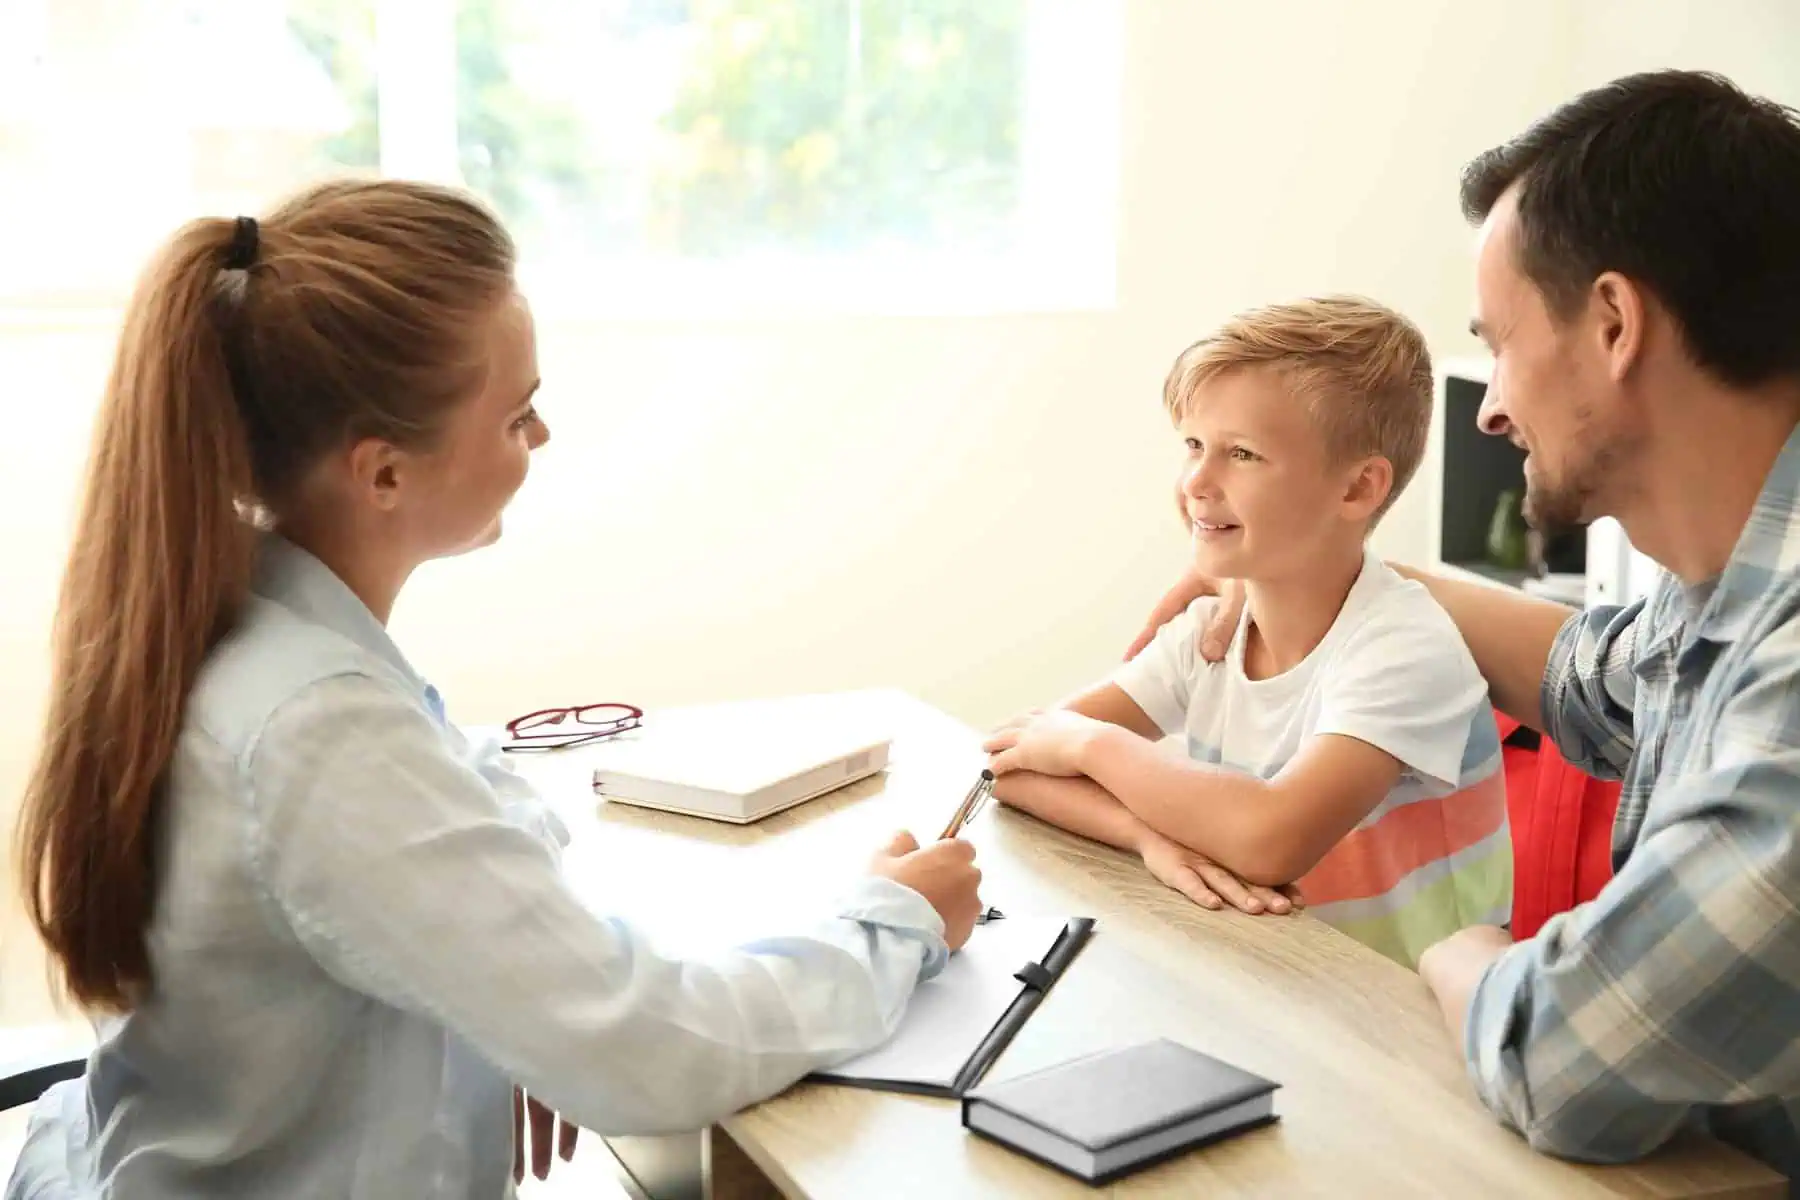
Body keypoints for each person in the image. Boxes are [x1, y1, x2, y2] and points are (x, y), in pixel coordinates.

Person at [8, 179, 983, 1200]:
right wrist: (890, 925)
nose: (543, 438)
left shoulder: (248, 621)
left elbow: (469, 801)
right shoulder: (315, 728)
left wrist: (510, 999)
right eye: (519, 415)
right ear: (383, 474)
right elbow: (651, 1053)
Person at [1130, 70, 1800, 1187]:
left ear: (1615, 324)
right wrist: (1339, 564)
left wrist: (1463, 953)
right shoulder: (1723, 598)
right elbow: (1592, 677)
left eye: (1500, 343)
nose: (1488, 407)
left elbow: (1558, 1055)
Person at [982, 296, 1511, 969]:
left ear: (1357, 490)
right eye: (1194, 446)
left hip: (1404, 1028)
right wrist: (1150, 838)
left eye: (1243, 454)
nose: (1197, 481)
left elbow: (1270, 839)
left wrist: (1091, 744)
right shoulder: (1212, 635)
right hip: (1270, 977)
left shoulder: (1404, 647)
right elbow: (1006, 765)